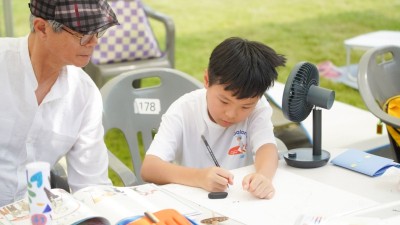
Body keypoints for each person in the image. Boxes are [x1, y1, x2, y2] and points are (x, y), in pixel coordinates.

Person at [0, 0, 119, 207]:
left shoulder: (84, 94)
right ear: (42, 28)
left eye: (98, 32)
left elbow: (92, 186)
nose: (93, 42)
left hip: (37, 213)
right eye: (83, 34)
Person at [141, 37, 286, 199]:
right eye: (224, 101)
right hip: (192, 200)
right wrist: (199, 177)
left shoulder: (258, 107)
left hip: (238, 198)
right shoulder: (183, 109)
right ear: (206, 80)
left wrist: (263, 177)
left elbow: (266, 147)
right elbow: (149, 168)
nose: (231, 114)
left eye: (245, 106)